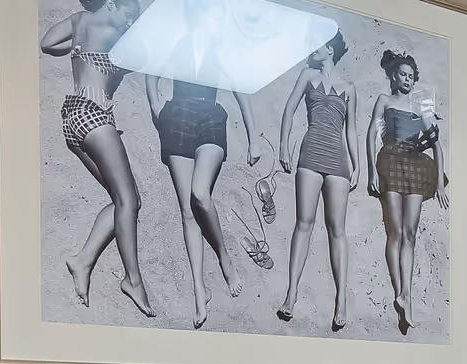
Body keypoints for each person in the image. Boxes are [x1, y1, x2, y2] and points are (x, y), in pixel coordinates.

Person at [41, 0, 155, 317]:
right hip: (95, 116)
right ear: (111, 4)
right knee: (129, 202)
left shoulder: (80, 20)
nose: (130, 22)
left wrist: (77, 49)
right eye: (128, 14)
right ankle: (133, 280)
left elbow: (47, 43)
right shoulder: (114, 33)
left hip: (73, 118)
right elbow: (142, 58)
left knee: (123, 201)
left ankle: (83, 260)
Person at [147, 78, 260, 328]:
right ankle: (200, 288)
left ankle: (223, 256)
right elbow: (152, 71)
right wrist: (154, 103)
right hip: (176, 117)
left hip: (210, 118)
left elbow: (241, 89)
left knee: (199, 194)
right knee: (187, 211)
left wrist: (254, 139)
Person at [276, 31, 358, 332]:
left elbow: (351, 130)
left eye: (318, 44)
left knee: (338, 230)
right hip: (310, 153)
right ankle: (291, 293)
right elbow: (289, 110)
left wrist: (358, 164)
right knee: (304, 223)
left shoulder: (349, 88)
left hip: (338, 159)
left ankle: (341, 300)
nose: (312, 49)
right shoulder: (307, 75)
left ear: (331, 49)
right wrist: (283, 146)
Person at [367, 49, 448, 335]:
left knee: (410, 234)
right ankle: (399, 290)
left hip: (415, 166)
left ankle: (407, 297)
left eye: (411, 76)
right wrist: (371, 171)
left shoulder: (420, 106)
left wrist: (439, 183)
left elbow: (436, 145)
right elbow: (372, 135)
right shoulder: (384, 100)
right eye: (403, 74)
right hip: (390, 161)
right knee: (396, 232)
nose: (407, 80)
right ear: (393, 76)